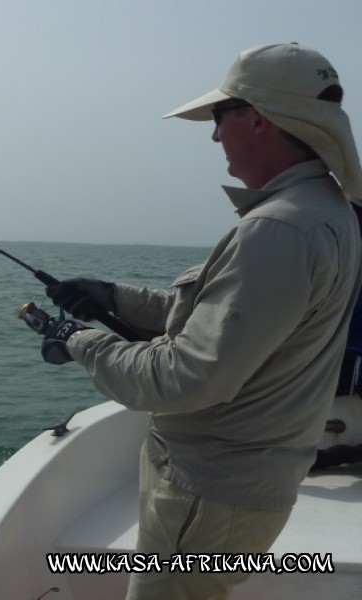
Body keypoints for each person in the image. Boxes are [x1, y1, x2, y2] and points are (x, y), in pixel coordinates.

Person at [39, 43, 362, 600]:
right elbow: (224, 321)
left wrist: (78, 341)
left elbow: (186, 376)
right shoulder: (324, 214)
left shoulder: (279, 230)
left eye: (219, 117)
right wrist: (113, 296)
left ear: (259, 120)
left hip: (208, 494)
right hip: (229, 490)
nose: (213, 136)